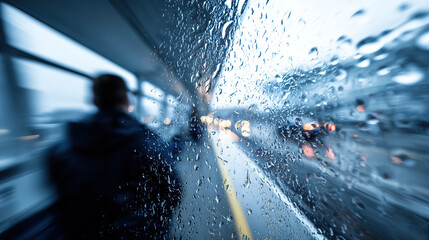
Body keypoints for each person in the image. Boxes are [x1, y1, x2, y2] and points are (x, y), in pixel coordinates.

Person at [48, 74, 181, 239]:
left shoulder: (66, 145)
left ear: (94, 101)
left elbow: (64, 200)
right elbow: (173, 191)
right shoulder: (146, 141)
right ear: (127, 100)